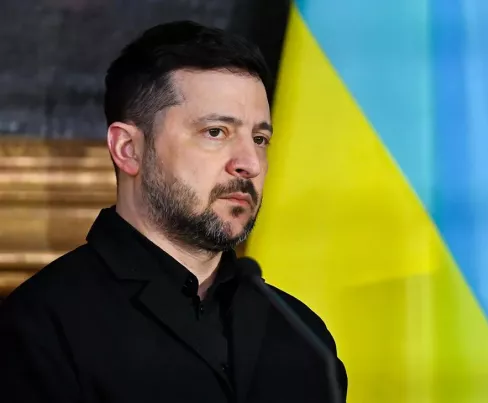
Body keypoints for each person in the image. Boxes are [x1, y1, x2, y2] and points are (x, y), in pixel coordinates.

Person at [0, 21, 347, 403]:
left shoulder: (302, 335)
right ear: (129, 149)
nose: (250, 163)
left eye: (260, 138)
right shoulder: (41, 326)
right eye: (216, 132)